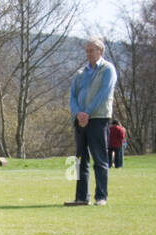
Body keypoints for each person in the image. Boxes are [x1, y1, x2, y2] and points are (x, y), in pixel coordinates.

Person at [64, 36, 117, 207]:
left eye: (91, 50)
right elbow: (72, 95)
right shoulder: (81, 73)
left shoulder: (108, 69)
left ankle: (101, 196)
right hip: (80, 120)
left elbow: (104, 94)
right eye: (87, 50)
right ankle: (81, 197)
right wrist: (78, 112)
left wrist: (87, 112)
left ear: (100, 51)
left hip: (98, 118)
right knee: (79, 159)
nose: (88, 53)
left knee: (100, 158)